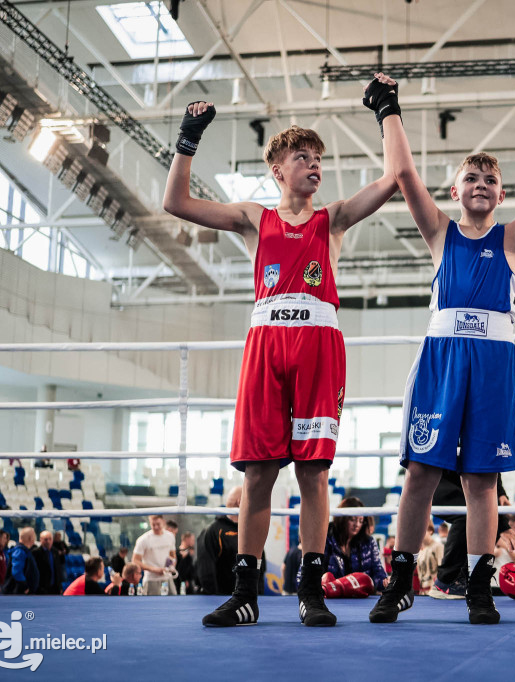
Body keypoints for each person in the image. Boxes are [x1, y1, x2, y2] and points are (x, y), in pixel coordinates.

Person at [164, 92, 397, 629]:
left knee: (315, 474)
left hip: (318, 344)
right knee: (259, 474)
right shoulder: (254, 217)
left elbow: (393, 179)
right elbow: (176, 202)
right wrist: (188, 138)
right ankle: (245, 592)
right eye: (303, 158)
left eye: (319, 159)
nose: (315, 165)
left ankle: (310, 591)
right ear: (277, 169)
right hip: (267, 343)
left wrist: (387, 113)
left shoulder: (334, 219)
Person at [366, 73, 515, 626]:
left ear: (502, 193)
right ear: (456, 190)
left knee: (481, 481)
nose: (482, 183)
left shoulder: (511, 239)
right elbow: (403, 174)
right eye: (472, 176)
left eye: (491, 177)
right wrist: (388, 108)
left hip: (492, 366)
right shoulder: (440, 233)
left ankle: (480, 587)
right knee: (420, 471)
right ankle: (400, 582)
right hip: (442, 359)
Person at [430, 393, 515, 599]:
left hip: (461, 481)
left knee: (485, 517)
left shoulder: (498, 427)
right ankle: (445, 582)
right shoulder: (489, 419)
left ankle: (464, 577)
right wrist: (504, 525)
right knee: (471, 515)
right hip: (440, 477)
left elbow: (490, 469)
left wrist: (502, 496)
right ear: (513, 409)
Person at [197, 487, 265, 596]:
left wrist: (259, 597)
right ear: (240, 502)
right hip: (222, 599)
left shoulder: (251, 530)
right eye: (252, 498)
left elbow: (260, 567)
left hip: (249, 599)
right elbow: (206, 570)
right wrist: (214, 600)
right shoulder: (213, 531)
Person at [308, 497, 387, 591]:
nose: (357, 524)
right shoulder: (324, 539)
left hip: (361, 599)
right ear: (342, 519)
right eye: (352, 519)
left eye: (361, 521)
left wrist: (384, 582)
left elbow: (378, 571)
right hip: (330, 598)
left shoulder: (369, 542)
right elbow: (308, 575)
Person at [132, 515, 177, 596]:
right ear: (150, 523)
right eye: (153, 524)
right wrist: (154, 569)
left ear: (163, 522)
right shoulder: (143, 539)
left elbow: (173, 555)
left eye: (158, 524)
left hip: (167, 578)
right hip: (151, 579)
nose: (156, 527)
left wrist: (171, 565)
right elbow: (135, 560)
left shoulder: (170, 536)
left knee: (173, 602)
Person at [2, 527, 39, 595]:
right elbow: (16, 571)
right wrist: (24, 587)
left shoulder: (24, 551)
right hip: (18, 593)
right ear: (31, 538)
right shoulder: (20, 551)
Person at [32, 530, 61, 595]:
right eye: (45, 539)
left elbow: (58, 570)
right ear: (41, 540)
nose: (48, 541)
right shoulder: (35, 553)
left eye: (50, 539)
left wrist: (60, 586)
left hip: (54, 588)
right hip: (41, 589)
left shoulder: (55, 552)